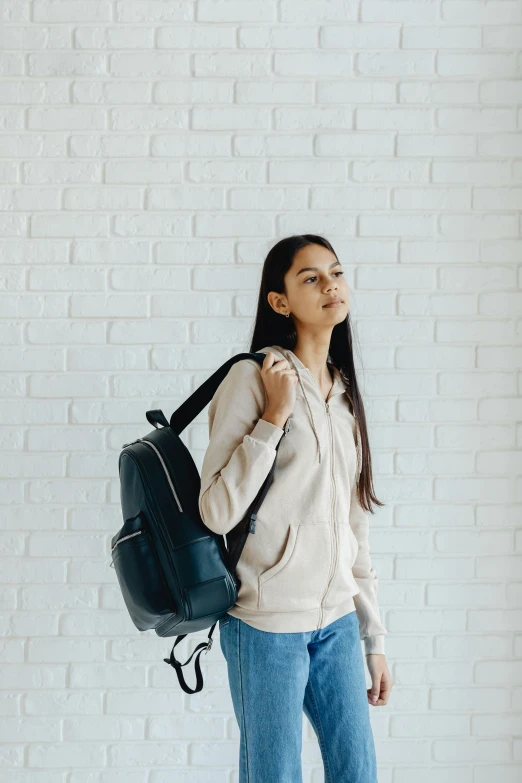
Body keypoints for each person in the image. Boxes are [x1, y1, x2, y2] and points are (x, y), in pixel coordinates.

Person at [198, 234, 393, 782]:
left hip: (335, 622)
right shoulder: (252, 378)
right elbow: (216, 510)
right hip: (265, 624)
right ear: (279, 301)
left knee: (358, 773)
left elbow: (354, 527)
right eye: (311, 278)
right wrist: (273, 417)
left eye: (336, 272)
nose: (331, 285)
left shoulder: (342, 389)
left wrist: (372, 638)